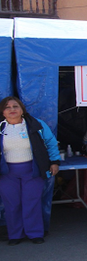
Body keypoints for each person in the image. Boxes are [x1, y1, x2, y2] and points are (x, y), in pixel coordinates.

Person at [0, 96, 61, 245]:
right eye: (8, 107)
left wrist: (54, 162)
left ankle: (35, 233)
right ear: (3, 112)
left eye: (16, 106)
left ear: (22, 110)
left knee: (31, 202)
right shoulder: (1, 128)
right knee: (11, 204)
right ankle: (15, 235)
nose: (12, 110)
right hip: (7, 173)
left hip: (32, 170)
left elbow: (51, 143)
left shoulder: (36, 125)